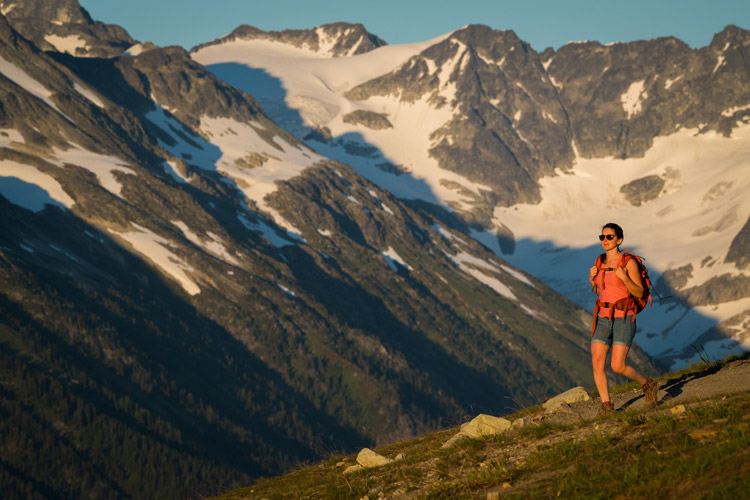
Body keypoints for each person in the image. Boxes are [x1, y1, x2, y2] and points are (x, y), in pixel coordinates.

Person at [589, 222, 658, 416]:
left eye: (609, 237)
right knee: (597, 363)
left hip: (624, 319)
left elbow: (639, 292)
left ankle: (648, 384)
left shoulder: (628, 263)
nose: (605, 240)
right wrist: (591, 280)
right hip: (603, 317)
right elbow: (600, 291)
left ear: (619, 240)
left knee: (617, 366)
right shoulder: (599, 262)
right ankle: (606, 406)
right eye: (602, 237)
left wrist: (625, 278)